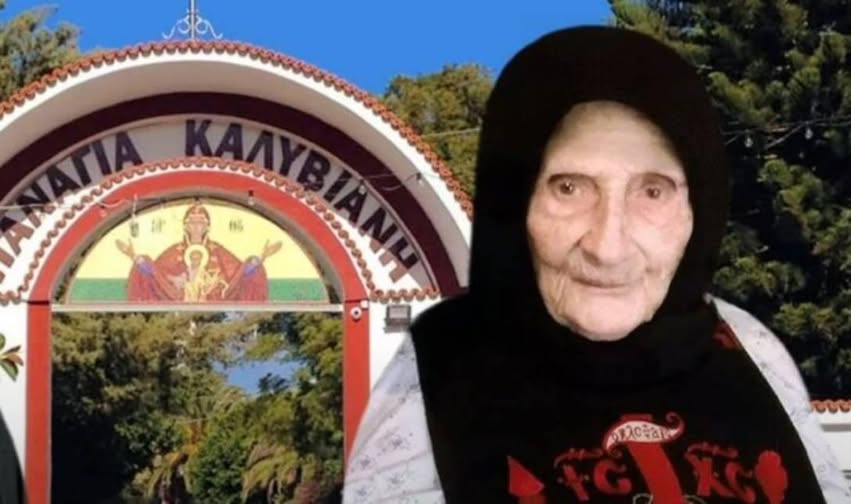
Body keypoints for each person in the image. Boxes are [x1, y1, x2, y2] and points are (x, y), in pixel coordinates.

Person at [343, 26, 851, 503]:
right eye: (569, 188)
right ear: (514, 205)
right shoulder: (428, 384)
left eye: (653, 191)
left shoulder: (750, 348)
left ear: (699, 212)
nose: (608, 248)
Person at [115, 202, 282, 302]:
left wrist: (259, 259)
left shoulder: (218, 251)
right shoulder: (174, 252)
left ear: (207, 226)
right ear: (185, 226)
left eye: (201, 222)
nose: (196, 227)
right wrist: (136, 258)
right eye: (192, 222)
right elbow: (157, 276)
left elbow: (237, 277)